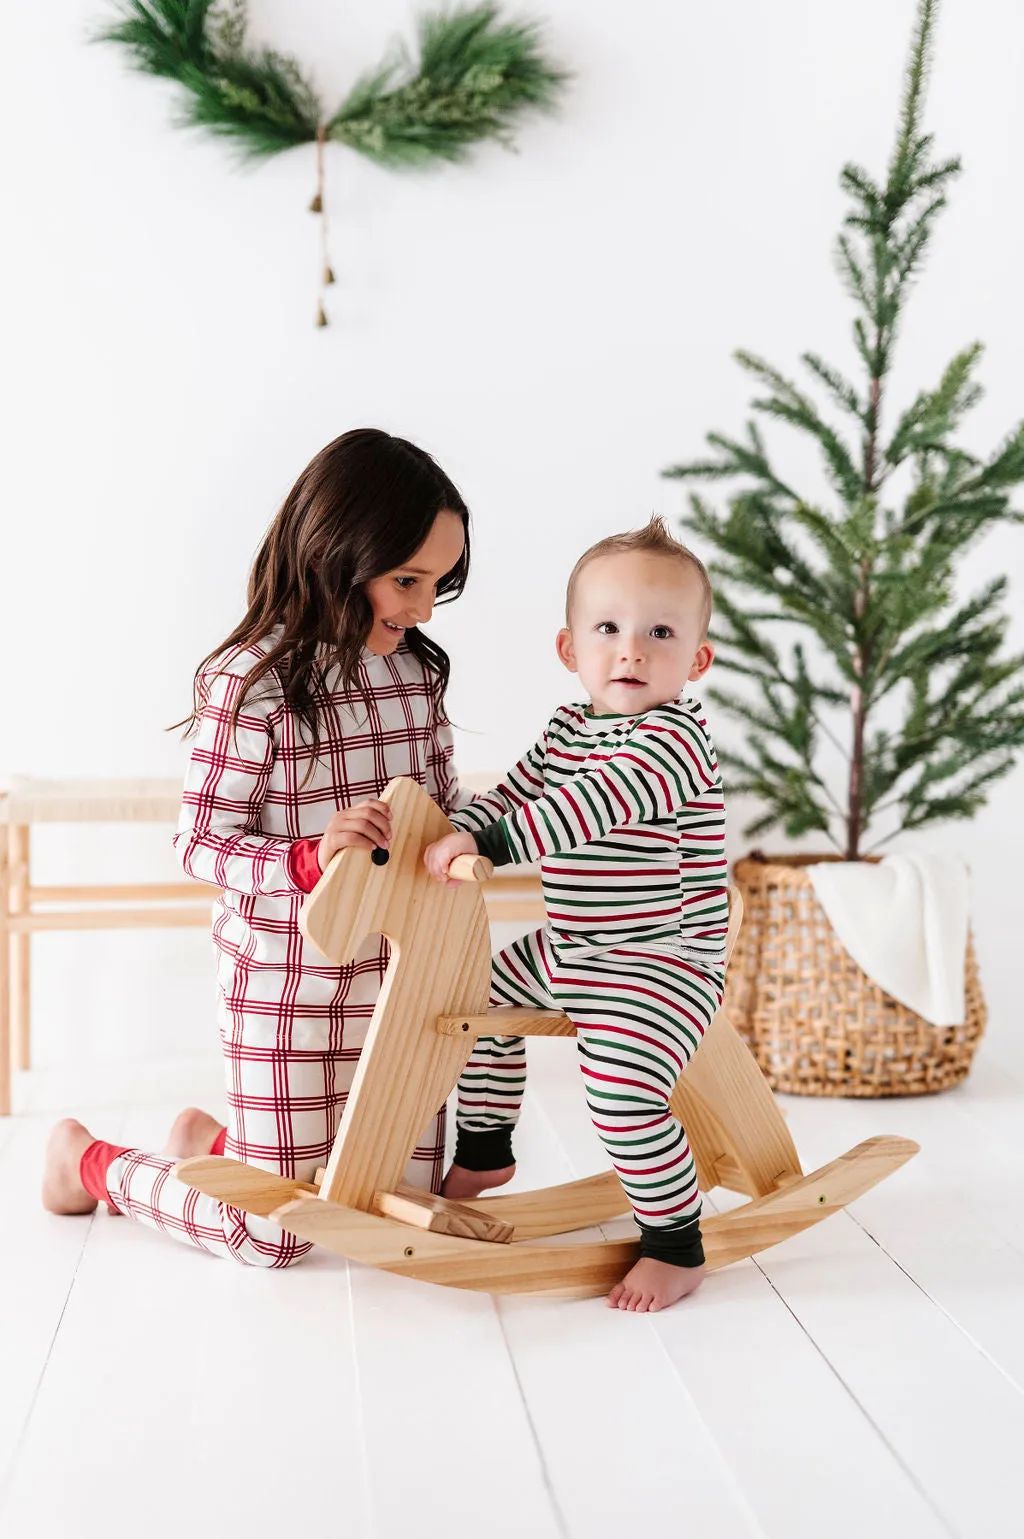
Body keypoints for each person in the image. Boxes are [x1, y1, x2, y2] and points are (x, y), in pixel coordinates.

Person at [42, 428, 472, 1266]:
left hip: (397, 984)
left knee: (395, 1210)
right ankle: (90, 1163)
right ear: (338, 555)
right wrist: (308, 858)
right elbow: (200, 841)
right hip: (284, 983)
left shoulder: (415, 675)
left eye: (437, 586)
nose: (422, 609)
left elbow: (442, 801)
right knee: (273, 1237)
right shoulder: (252, 683)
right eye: (407, 581)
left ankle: (220, 1140)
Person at [424, 517, 727, 1312]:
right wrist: (457, 822)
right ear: (571, 650)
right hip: (576, 945)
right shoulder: (568, 729)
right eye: (609, 629)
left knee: (619, 1085)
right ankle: (487, 1148)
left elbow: (586, 807)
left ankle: (675, 1239)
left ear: (697, 659)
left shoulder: (673, 741)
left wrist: (491, 839)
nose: (631, 650)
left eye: (659, 632)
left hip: (663, 959)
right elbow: (520, 790)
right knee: (478, 1000)